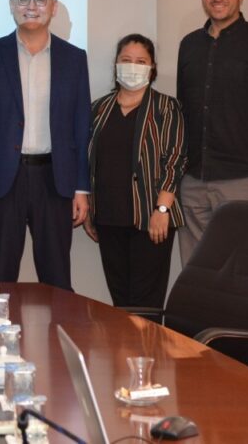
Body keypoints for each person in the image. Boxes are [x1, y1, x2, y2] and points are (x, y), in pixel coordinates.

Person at [0, 0, 91, 290]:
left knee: (57, 276)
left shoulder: (74, 59)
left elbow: (80, 128)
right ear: (12, 6)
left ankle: (60, 324)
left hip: (55, 179)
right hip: (2, 182)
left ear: (53, 7)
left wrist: (81, 188)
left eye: (40, 0)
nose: (31, 6)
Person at [85, 34, 187, 308]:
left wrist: (162, 209)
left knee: (145, 303)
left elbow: (175, 160)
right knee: (120, 301)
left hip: (151, 217)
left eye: (141, 61)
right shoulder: (99, 108)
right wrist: (91, 208)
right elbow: (89, 161)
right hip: (109, 217)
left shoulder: (166, 107)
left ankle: (146, 341)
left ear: (152, 68)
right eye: (126, 59)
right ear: (116, 64)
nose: (133, 66)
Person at [176, 0, 248, 264]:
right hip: (193, 180)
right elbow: (182, 109)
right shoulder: (189, 45)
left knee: (241, 267)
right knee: (195, 270)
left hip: (242, 181)